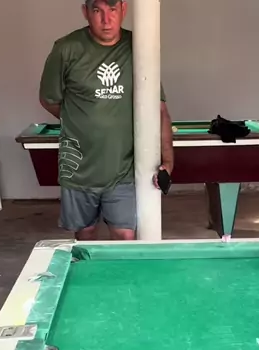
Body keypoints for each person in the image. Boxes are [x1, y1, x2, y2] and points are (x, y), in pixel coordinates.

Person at [39, 0, 173, 240]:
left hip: (123, 170)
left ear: (123, 9)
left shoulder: (138, 46)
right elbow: (49, 100)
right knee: (85, 237)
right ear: (85, 12)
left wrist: (168, 162)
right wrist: (82, 121)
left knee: (125, 237)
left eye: (112, 10)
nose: (106, 20)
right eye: (97, 11)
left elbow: (159, 110)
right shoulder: (66, 49)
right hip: (78, 169)